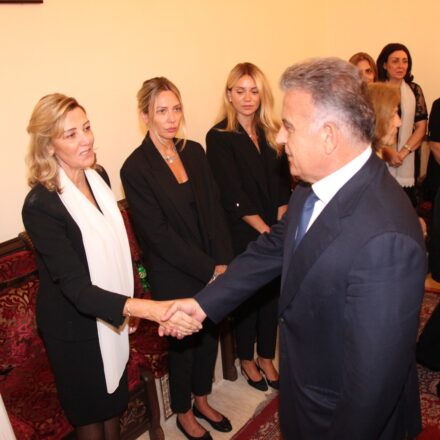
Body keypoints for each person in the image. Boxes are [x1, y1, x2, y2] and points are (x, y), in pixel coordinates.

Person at [163, 58, 427, 439]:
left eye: (289, 127)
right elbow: (273, 246)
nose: (280, 139)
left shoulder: (387, 238)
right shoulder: (310, 185)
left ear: (329, 136)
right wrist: (203, 304)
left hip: (339, 416)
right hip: (305, 389)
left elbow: (372, 385)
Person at [21, 94, 200, 440]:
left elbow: (118, 247)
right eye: (71, 134)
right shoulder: (41, 204)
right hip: (73, 328)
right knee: (91, 416)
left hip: (111, 314)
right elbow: (76, 288)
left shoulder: (97, 176)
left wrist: (127, 304)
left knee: (113, 405)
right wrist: (146, 308)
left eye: (86, 128)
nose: (86, 139)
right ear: (48, 145)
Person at [120, 77, 233, 440]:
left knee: (208, 336)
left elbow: (215, 210)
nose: (171, 118)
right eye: (161, 111)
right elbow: (158, 236)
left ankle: (202, 400)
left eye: (176, 109)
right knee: (183, 347)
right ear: (145, 116)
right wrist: (208, 267)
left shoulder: (194, 151)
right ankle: (183, 412)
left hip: (211, 264)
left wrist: (223, 262)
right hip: (172, 272)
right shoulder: (135, 168)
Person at [205, 62, 291, 391]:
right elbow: (233, 195)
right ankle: (246, 358)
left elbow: (282, 184)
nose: (247, 98)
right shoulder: (219, 137)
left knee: (272, 297)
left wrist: (279, 225)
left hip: (273, 227)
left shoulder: (272, 131)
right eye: (240, 91)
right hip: (242, 230)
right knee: (249, 299)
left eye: (254, 91)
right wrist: (267, 232)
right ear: (229, 95)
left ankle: (266, 356)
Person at [376, 43, 428, 206]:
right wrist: (389, 153)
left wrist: (402, 153)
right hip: (380, 158)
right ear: (385, 64)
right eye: (395, 61)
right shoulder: (376, 90)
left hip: (408, 159)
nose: (401, 66)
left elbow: (421, 128)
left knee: (406, 206)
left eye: (405, 61)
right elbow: (371, 129)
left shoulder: (414, 90)